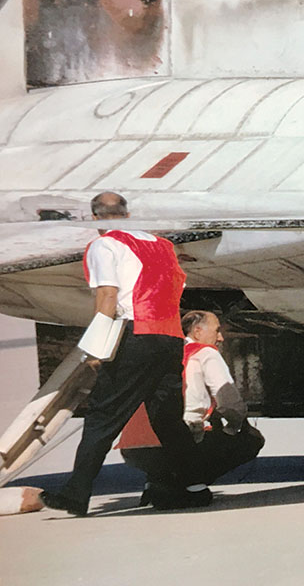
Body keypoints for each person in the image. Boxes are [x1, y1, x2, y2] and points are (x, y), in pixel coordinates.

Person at [41, 192, 207, 516]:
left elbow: (107, 297)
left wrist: (96, 349)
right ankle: (195, 488)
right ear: (127, 214)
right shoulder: (163, 245)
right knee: (168, 420)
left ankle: (76, 494)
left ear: (95, 217)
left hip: (138, 336)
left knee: (103, 416)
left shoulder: (105, 245)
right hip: (171, 336)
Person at [117, 310, 265, 509]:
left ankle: (157, 482)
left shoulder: (163, 353)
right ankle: (189, 485)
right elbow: (229, 402)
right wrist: (235, 426)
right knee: (251, 440)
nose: (220, 338)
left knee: (164, 428)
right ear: (197, 331)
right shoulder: (206, 353)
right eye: (217, 331)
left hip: (134, 448)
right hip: (181, 445)